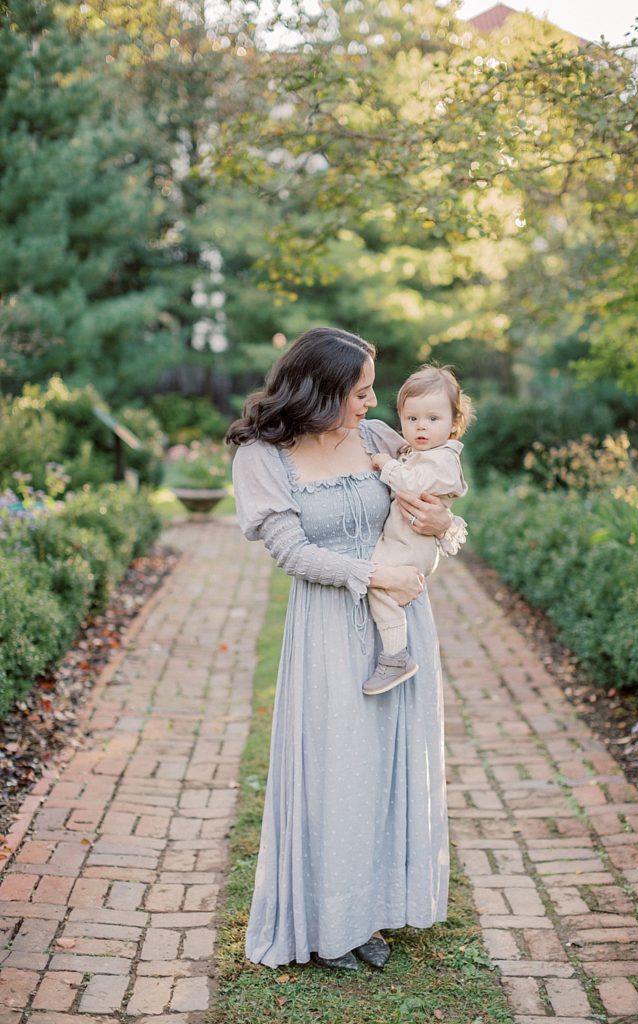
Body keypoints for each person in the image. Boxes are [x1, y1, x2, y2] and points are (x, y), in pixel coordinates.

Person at [227, 326, 464, 972]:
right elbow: (291, 552)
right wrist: (370, 576)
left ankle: (371, 908)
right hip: (329, 629)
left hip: (403, 624)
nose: (371, 403)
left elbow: (440, 515)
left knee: (388, 767)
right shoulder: (262, 456)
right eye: (359, 392)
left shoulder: (377, 440)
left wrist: (445, 525)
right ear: (320, 388)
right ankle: (328, 920)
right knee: (335, 772)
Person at [363, 365, 472, 696]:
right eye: (412, 419)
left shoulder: (442, 460)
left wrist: (385, 463)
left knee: (379, 585)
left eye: (432, 419)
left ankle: (395, 656)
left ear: (455, 423)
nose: (421, 426)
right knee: (377, 581)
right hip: (406, 539)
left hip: (414, 545)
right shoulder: (420, 453)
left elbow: (410, 484)